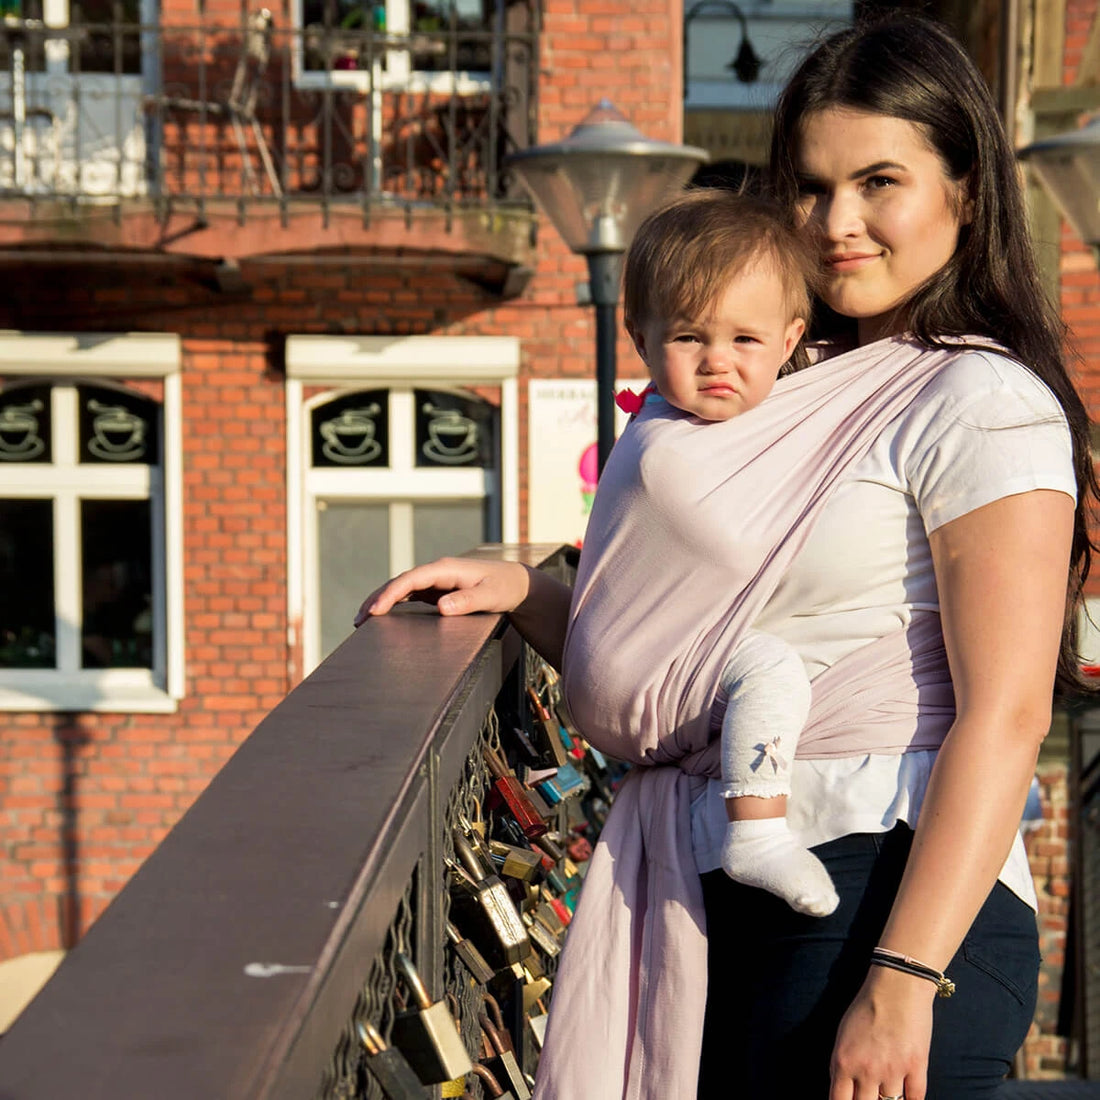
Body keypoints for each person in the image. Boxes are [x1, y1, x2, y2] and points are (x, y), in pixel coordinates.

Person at [355, 14, 1097, 1100]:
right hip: (722, 885)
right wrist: (526, 591)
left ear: (966, 190)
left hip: (883, 898)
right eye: (807, 186)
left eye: (877, 181)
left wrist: (899, 979)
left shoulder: (979, 403)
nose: (836, 221)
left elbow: (1005, 714)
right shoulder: (769, 380)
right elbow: (691, 659)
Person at [616, 187, 839, 917]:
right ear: (641, 339)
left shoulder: (698, 418)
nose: (717, 363)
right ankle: (759, 833)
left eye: (745, 341)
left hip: (644, 659)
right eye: (688, 338)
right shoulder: (671, 446)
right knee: (773, 664)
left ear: (788, 341)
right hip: (649, 661)